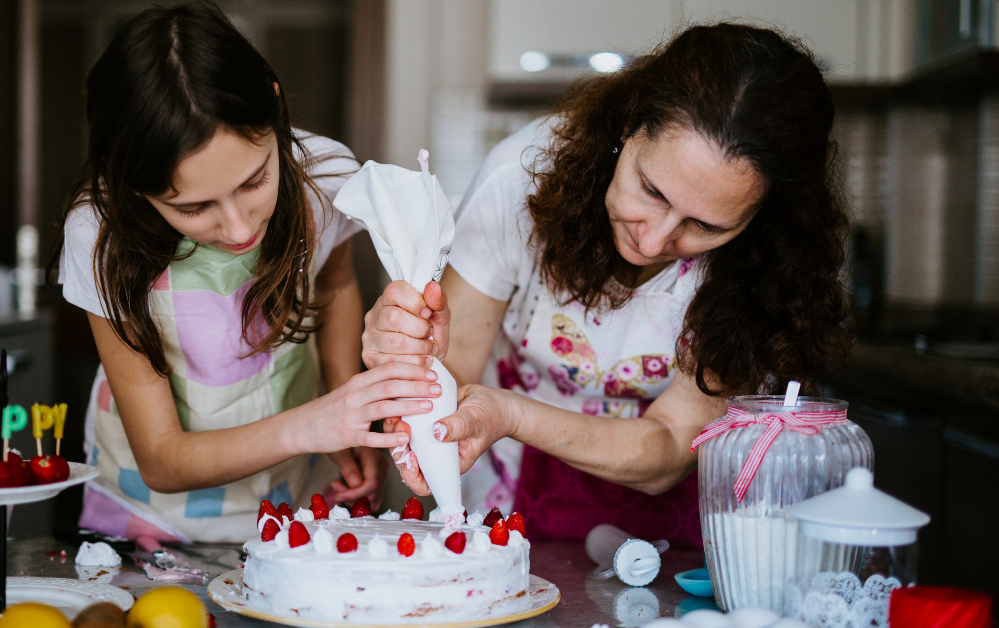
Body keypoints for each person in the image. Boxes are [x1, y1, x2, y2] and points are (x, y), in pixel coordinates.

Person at [363, 23, 853, 548]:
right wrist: (414, 369)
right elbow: (453, 363)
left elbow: (670, 445)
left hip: (672, 518)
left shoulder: (769, 262)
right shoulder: (517, 183)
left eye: (707, 226)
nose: (656, 238)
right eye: (651, 191)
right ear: (632, 125)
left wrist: (510, 413)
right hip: (510, 501)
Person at [49, 3, 439, 546]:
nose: (236, 227)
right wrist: (316, 423)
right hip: (152, 519)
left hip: (295, 500)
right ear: (133, 183)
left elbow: (335, 282)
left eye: (255, 181)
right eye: (192, 208)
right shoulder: (100, 233)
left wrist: (342, 406)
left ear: (274, 105)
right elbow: (161, 459)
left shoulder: (325, 178)